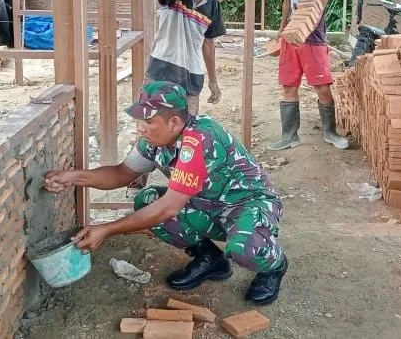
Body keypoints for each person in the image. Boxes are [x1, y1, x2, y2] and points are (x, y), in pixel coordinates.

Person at [44, 81, 289, 305]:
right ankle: (211, 260)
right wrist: (73, 177)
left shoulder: (199, 139)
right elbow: (122, 173)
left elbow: (169, 207)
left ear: (173, 122)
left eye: (148, 122)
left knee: (244, 248)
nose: (140, 129)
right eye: (139, 121)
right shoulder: (154, 141)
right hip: (206, 205)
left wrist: (106, 229)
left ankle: (274, 266)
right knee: (147, 200)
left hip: (246, 205)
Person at [270, 0, 350, 151]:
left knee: (322, 87)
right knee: (289, 86)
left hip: (313, 41)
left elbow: (317, 11)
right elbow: (286, 2)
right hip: (290, 39)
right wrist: (282, 31)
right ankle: (289, 136)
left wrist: (301, 34)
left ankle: (330, 132)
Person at [147, 0, 236, 115]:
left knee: (186, 126)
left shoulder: (211, 3)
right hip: (161, 70)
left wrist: (213, 81)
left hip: (191, 76)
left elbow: (208, 43)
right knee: (153, 124)